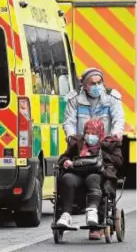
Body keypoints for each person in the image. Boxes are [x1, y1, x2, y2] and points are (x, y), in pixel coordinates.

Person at [62, 67, 125, 239]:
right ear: (84, 84)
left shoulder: (111, 98)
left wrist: (117, 133)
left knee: (100, 177)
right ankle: (66, 214)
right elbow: (69, 121)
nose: (97, 86)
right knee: (68, 176)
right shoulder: (75, 99)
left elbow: (118, 118)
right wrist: (71, 138)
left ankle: (97, 223)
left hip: (103, 147)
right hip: (82, 146)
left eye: (99, 83)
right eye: (93, 83)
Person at [56, 119, 123, 229]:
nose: (90, 136)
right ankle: (66, 214)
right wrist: (65, 162)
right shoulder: (78, 143)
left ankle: (92, 211)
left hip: (97, 174)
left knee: (92, 178)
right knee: (67, 178)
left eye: (93, 134)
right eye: (88, 133)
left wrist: (101, 156)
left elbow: (118, 161)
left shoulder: (109, 145)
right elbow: (64, 156)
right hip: (78, 173)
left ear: (100, 134)